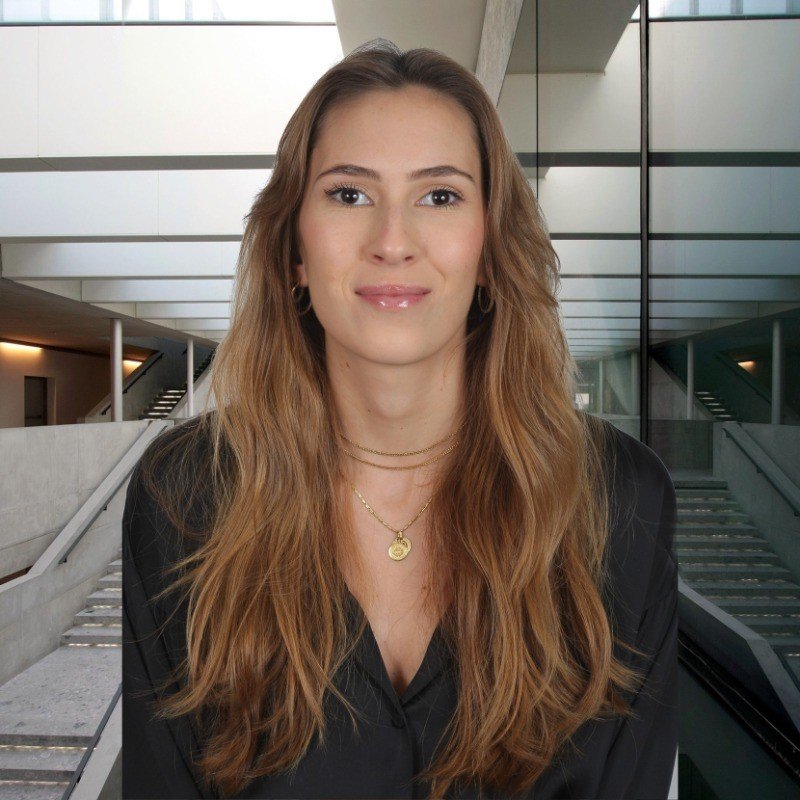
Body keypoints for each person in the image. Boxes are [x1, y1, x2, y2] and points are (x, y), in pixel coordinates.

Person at [122, 38, 677, 800]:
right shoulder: (183, 494)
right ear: (293, 248)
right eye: (350, 194)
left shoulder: (621, 500)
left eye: (439, 196)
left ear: (490, 247)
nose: (391, 242)